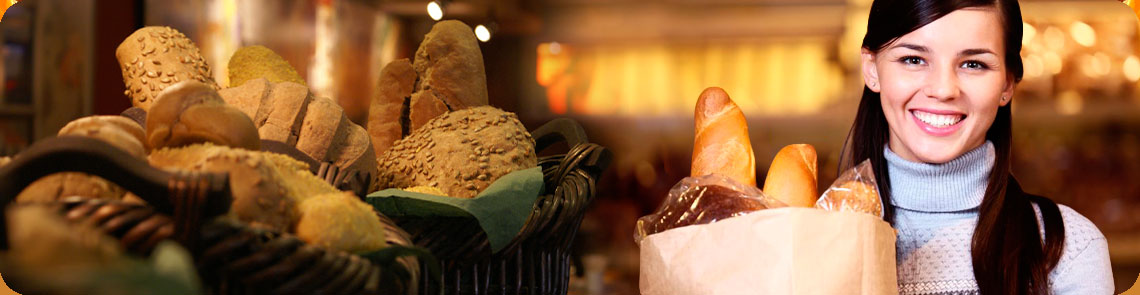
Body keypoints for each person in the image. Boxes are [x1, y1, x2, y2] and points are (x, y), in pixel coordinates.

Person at [842, 0, 1114, 293]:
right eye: (913, 59)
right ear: (871, 69)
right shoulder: (820, 237)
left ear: (1007, 84)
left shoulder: (1068, 248)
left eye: (974, 64)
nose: (944, 90)